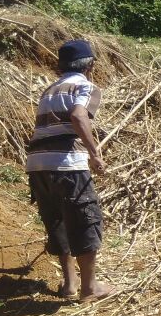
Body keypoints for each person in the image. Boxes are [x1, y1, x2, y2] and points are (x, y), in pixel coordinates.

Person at [26, 40, 115, 302]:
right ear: (90, 66)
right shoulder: (85, 86)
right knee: (85, 219)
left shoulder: (49, 90)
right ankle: (89, 289)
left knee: (56, 219)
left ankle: (69, 283)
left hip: (38, 164)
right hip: (67, 165)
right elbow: (78, 116)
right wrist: (94, 153)